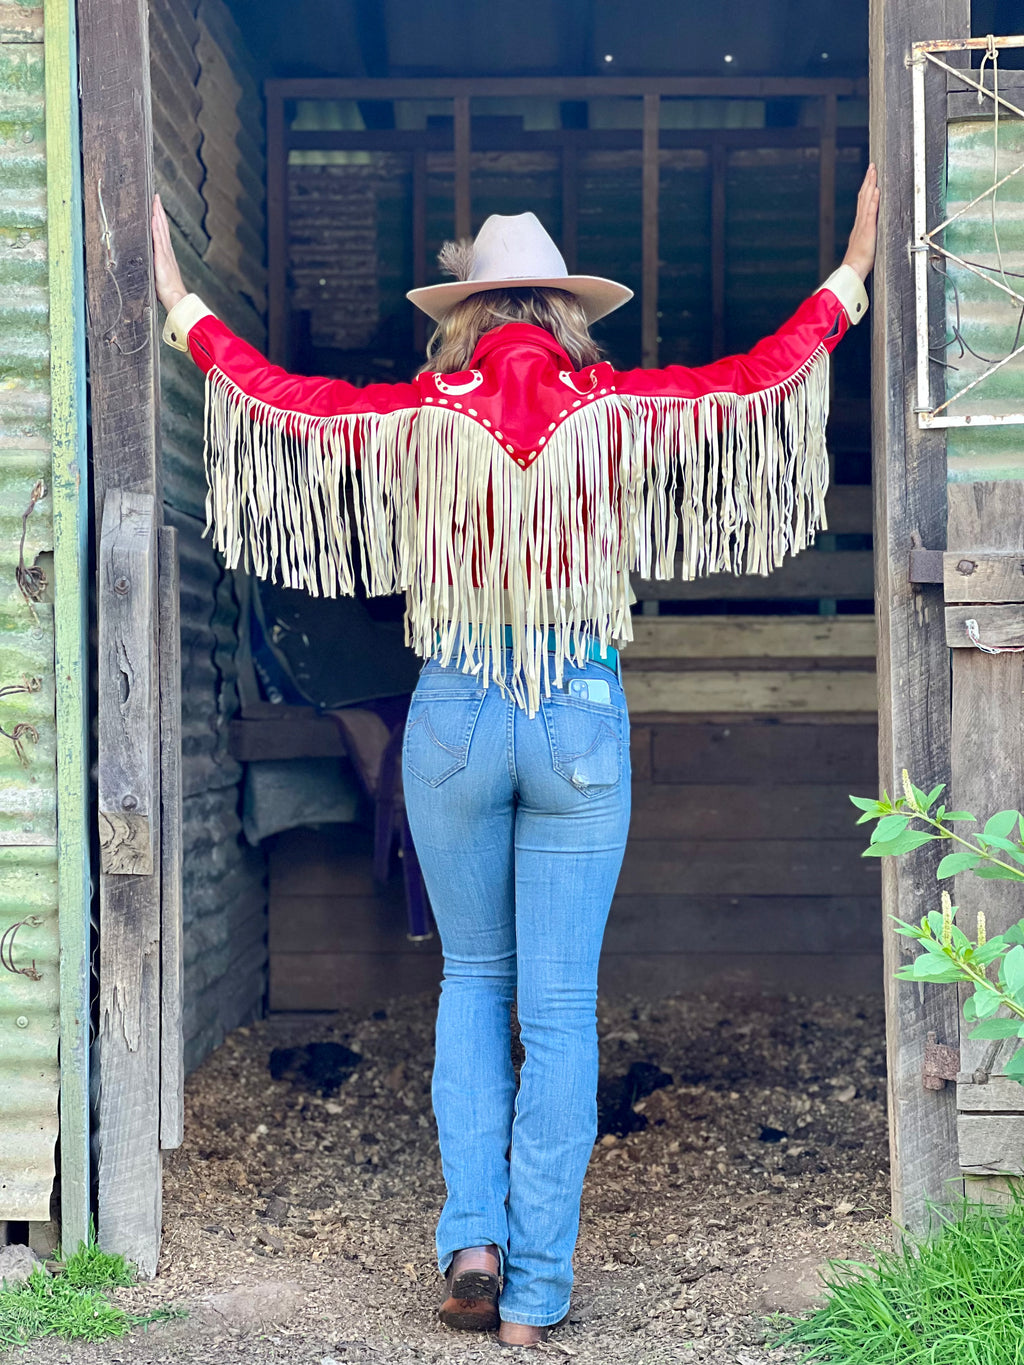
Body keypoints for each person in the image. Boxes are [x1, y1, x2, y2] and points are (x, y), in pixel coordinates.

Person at [152, 167, 878, 1348]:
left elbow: (281, 399)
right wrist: (847, 274)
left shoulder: (417, 415)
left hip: (453, 714)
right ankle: (536, 1297)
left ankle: (474, 1246)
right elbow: (757, 378)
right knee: (560, 1007)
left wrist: (184, 305)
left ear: (464, 318)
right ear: (566, 313)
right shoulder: (616, 408)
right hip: (576, 714)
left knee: (473, 983)